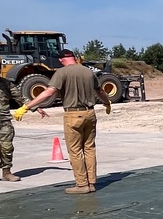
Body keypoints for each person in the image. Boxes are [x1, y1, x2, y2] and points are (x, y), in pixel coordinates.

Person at [14, 49, 111, 194]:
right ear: (75, 58)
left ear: (61, 60)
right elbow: (100, 91)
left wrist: (27, 106)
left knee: (75, 151)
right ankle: (91, 182)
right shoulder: (88, 72)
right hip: (90, 113)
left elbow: (49, 92)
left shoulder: (61, 73)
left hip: (73, 114)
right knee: (89, 148)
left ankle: (82, 184)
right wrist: (107, 102)